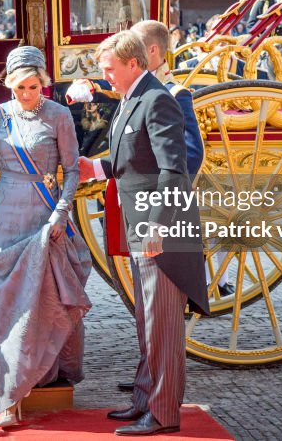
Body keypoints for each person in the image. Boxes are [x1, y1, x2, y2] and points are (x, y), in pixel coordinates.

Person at [77, 31, 208, 436]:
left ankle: (165, 413)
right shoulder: (133, 97)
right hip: (142, 227)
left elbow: (173, 169)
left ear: (133, 64)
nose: (106, 77)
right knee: (148, 322)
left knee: (163, 325)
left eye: (110, 69)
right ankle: (145, 399)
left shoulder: (157, 99)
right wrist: (96, 169)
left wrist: (156, 223)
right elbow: (136, 161)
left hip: (159, 230)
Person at [0, 47, 91, 428]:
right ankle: (8, 393)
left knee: (42, 303)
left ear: (43, 83)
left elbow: (71, 172)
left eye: (32, 87)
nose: (25, 94)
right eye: (18, 88)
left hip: (43, 217)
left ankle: (30, 385)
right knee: (5, 312)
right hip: (3, 219)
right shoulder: (1, 113)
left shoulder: (59, 115)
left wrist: (59, 213)